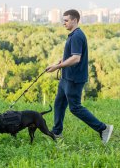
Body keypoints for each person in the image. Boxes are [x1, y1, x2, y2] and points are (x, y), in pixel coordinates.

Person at [46, 9, 113, 144]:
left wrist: (57, 67)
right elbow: (71, 55)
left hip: (74, 79)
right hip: (66, 78)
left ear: (75, 20)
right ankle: (57, 132)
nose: (63, 23)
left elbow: (76, 58)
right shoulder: (73, 35)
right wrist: (60, 61)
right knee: (59, 103)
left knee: (75, 108)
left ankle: (103, 128)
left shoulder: (77, 36)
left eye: (66, 20)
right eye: (63, 20)